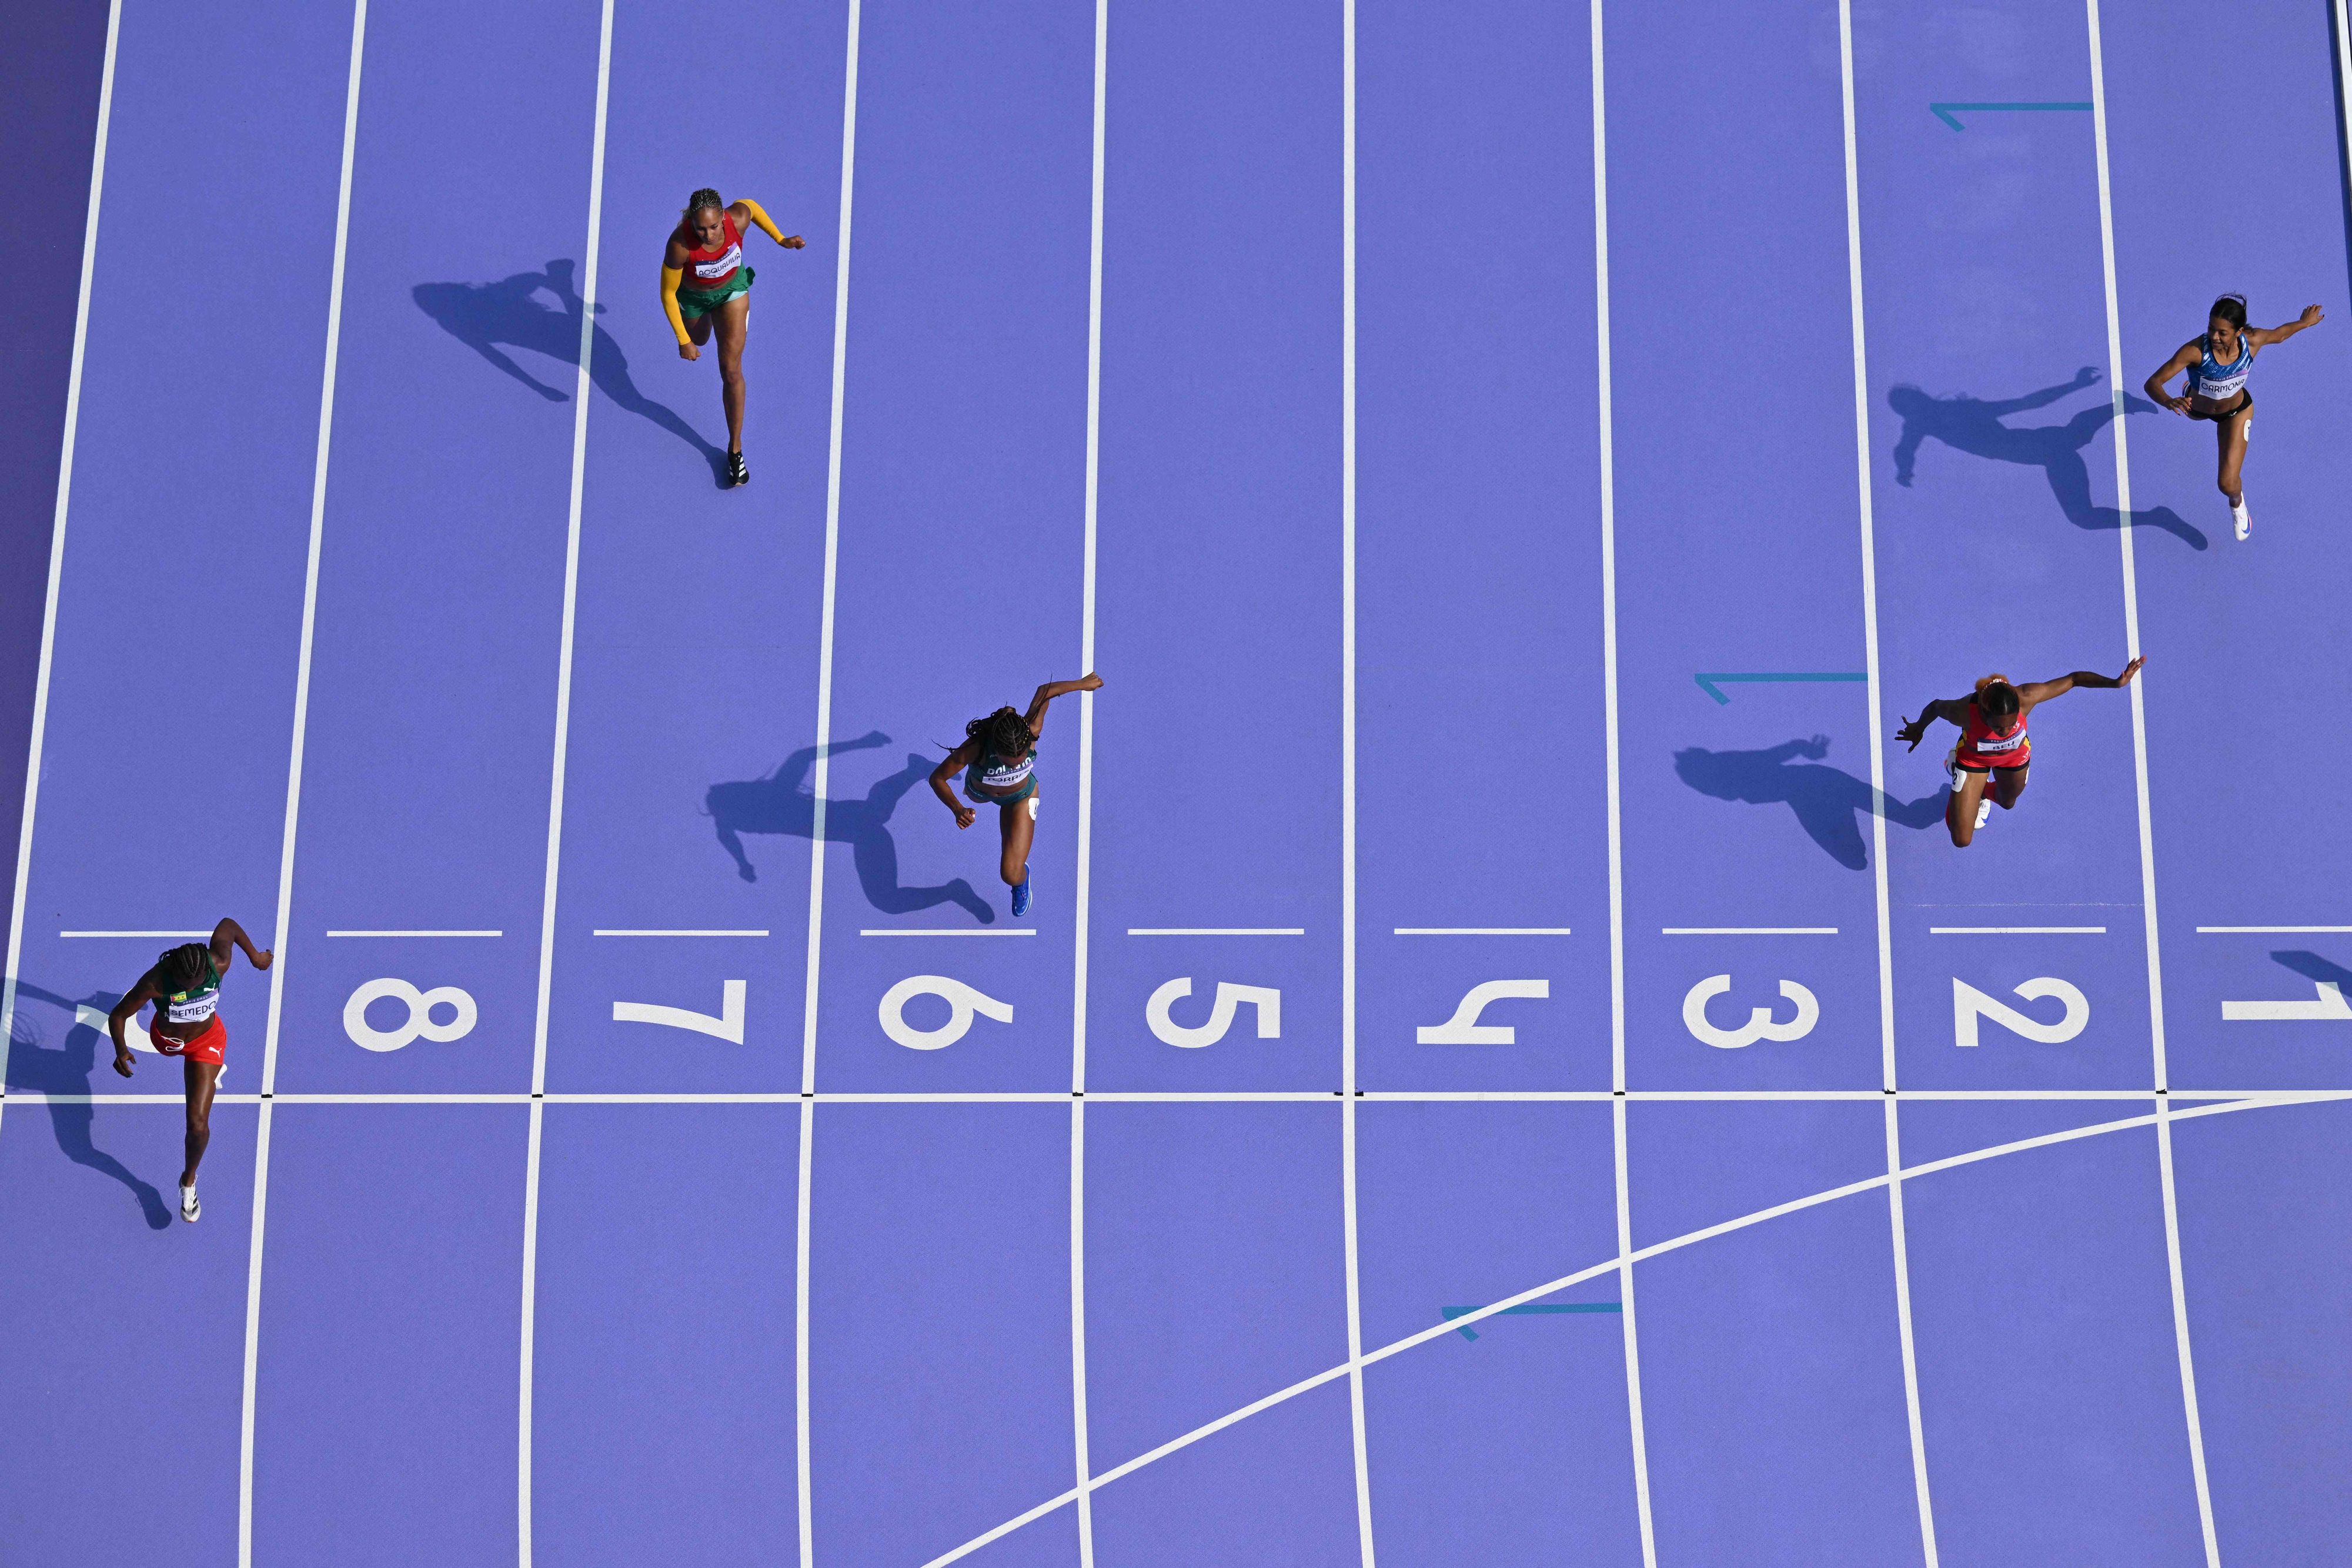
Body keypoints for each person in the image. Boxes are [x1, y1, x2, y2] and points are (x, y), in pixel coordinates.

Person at [108, 918, 270, 1222]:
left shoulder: (218, 963)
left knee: (197, 1125)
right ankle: (209, 1075)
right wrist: (120, 1049)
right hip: (167, 1042)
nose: (192, 989)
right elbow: (117, 1016)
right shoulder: (155, 982)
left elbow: (228, 926)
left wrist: (257, 957)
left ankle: (188, 1181)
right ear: (173, 973)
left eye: (197, 985)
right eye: (186, 986)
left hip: (207, 1042)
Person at [1895, 660, 2145, 848]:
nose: (2004, 731)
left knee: (2007, 802)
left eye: (2010, 724)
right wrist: (1918, 728)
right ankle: (1958, 772)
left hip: (2014, 757)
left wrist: (2115, 682)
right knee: (1961, 840)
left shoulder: (2026, 697)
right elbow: (1937, 707)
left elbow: (2074, 679)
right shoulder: (1965, 711)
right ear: (1984, 711)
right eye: (1997, 727)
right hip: (1974, 760)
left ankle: (1979, 791)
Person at [2143, 293, 2324, 541]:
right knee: (2193, 404)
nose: (2214, 337)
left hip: (2237, 412)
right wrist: (2167, 400)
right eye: (2210, 329)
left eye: (2222, 333)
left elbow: (2280, 335)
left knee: (2227, 484)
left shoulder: (2252, 341)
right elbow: (2153, 383)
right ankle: (2189, 390)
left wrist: (2304, 323)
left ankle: (2238, 506)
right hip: (2197, 410)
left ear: (2239, 331)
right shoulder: (2195, 351)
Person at [660, 188, 805, 487]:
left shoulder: (736, 219)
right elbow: (668, 293)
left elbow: (752, 206)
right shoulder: (679, 245)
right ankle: (707, 326)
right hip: (696, 299)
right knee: (700, 339)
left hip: (732, 293)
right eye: (701, 228)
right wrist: (683, 340)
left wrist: (781, 239)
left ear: (723, 219)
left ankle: (735, 450)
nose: (708, 234)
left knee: (731, 370)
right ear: (691, 221)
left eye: (714, 227)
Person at [930, 675, 1105, 917]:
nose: (1014, 768)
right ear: (996, 749)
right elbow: (938, 778)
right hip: (980, 794)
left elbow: (1045, 691)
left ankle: (1022, 883)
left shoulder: (1032, 730)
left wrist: (1083, 685)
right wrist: (957, 809)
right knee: (978, 798)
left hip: (1021, 796)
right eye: (1007, 763)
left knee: (1010, 873)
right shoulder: (976, 748)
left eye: (1020, 761)